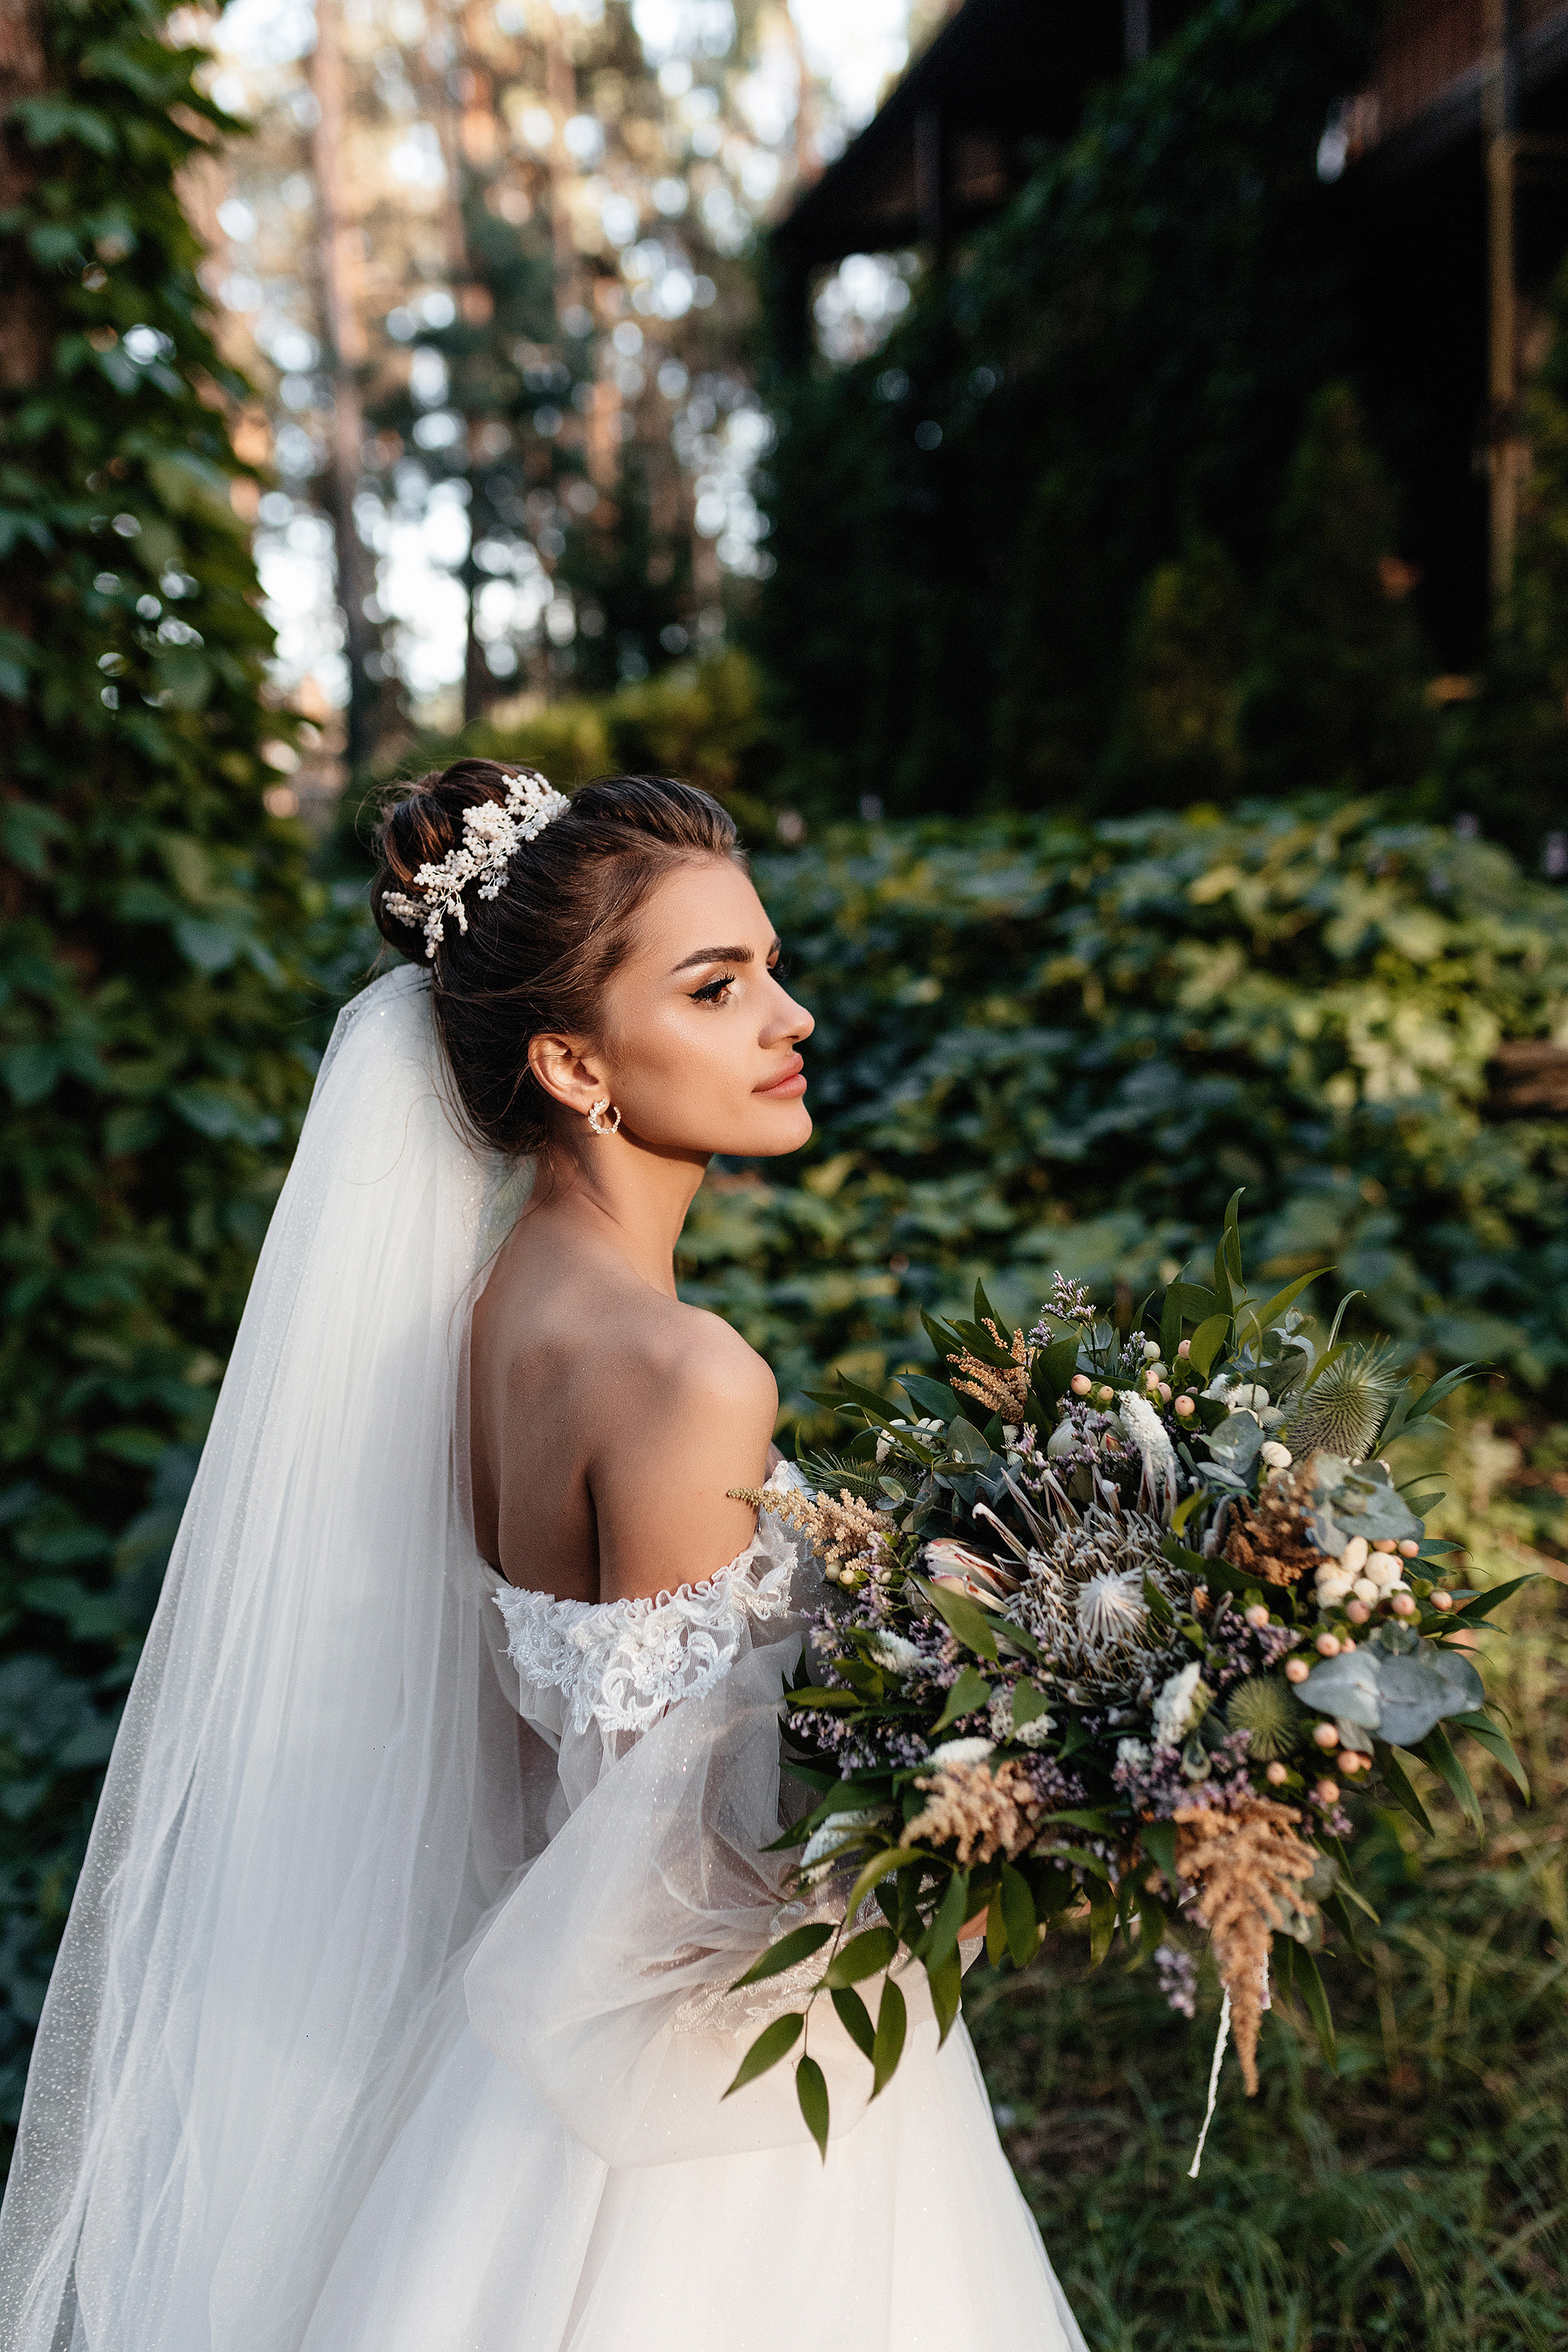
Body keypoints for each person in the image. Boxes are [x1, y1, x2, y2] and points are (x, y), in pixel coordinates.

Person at [0, 767, 1087, 2351]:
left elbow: (567, 1755)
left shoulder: (483, 1318)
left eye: (770, 967)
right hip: (690, 2116)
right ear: (574, 1061)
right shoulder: (680, 1371)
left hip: (511, 2056)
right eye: (715, 988)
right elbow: (683, 1876)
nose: (787, 1019)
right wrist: (999, 1822)